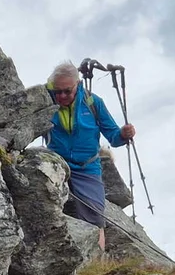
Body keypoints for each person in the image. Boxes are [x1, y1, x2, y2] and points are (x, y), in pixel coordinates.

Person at [41, 61, 134, 250]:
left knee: (95, 217)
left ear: (78, 84)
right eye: (57, 91)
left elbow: (114, 137)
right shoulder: (44, 100)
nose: (62, 96)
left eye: (67, 91)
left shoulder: (93, 103)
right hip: (57, 162)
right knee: (42, 206)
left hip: (87, 166)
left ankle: (96, 263)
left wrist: (124, 135)